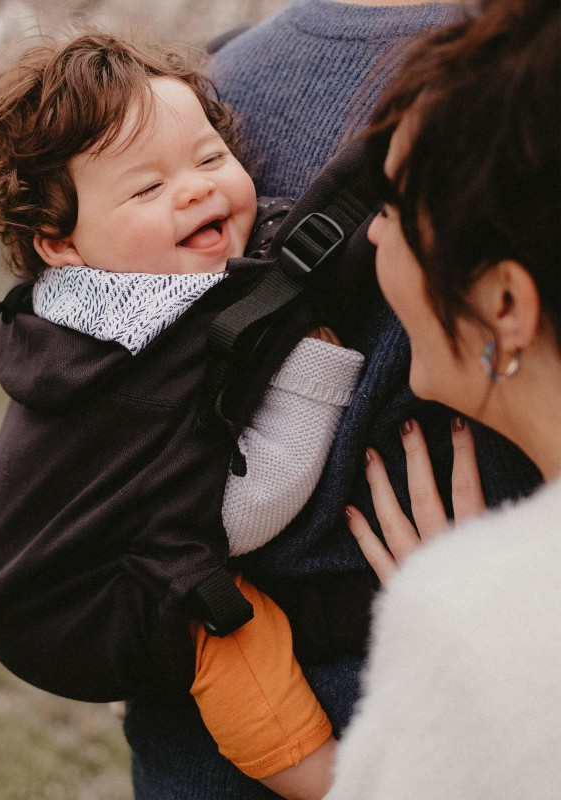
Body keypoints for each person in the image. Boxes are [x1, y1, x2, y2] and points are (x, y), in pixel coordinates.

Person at [124, 1, 542, 798]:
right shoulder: (518, 87)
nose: (374, 239)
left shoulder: (204, 84)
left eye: (391, 212)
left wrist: (497, 602)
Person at [0, 30, 371, 798]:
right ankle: (320, 779)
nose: (196, 189)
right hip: (75, 605)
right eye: (146, 190)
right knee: (232, 630)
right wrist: (313, 368)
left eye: (210, 159)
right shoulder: (132, 348)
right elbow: (236, 513)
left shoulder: (144, 283)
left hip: (62, 570)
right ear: (61, 244)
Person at [327, 0, 561, 795]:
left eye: (394, 210)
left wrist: (472, 607)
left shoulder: (468, 622)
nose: (372, 238)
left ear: (504, 304)